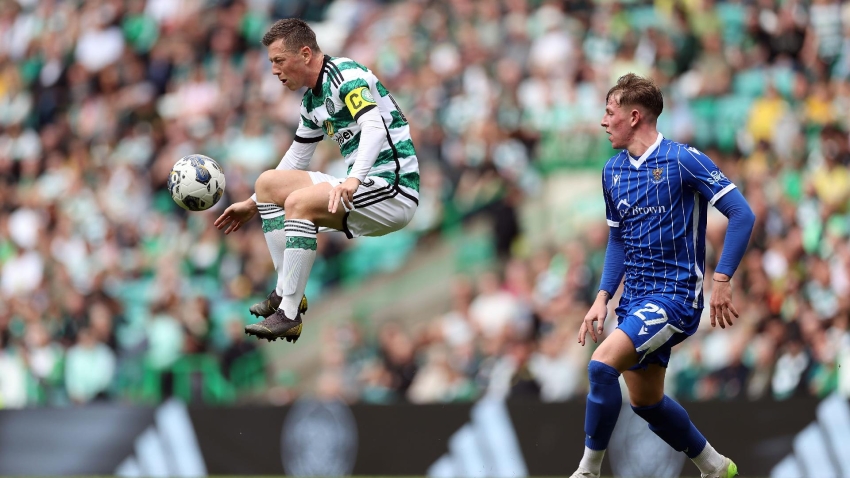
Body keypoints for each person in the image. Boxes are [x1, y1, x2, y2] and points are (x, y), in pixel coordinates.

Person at [570, 74, 755, 478]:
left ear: (634, 116)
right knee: (646, 403)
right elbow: (618, 240)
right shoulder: (612, 171)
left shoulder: (683, 159)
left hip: (675, 297)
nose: (603, 121)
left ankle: (587, 471)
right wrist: (603, 296)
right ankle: (715, 466)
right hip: (635, 299)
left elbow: (742, 214)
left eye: (609, 111)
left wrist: (721, 279)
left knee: (601, 366)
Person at [214, 19, 419, 343]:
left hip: (393, 188)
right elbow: (297, 158)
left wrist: (352, 180)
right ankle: (285, 292)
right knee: (269, 183)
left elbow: (375, 127)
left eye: (278, 61)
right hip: (361, 184)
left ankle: (290, 314)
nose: (274, 70)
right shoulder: (312, 100)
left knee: (298, 203)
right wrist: (253, 203)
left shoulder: (345, 76)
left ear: (306, 54)